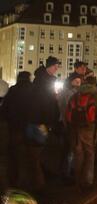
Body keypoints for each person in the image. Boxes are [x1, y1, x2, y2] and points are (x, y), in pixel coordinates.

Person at [65, 76, 97, 190]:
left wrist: (69, 127)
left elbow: (67, 112)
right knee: (89, 153)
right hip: (89, 127)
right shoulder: (96, 96)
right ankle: (87, 181)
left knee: (78, 153)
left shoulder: (76, 95)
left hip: (75, 128)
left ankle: (77, 179)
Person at [25, 56, 61, 192]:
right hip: (40, 122)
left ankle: (37, 179)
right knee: (39, 153)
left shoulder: (39, 80)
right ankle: (39, 183)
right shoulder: (45, 82)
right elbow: (46, 104)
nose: (57, 69)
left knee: (35, 152)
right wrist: (48, 122)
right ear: (49, 67)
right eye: (55, 66)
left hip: (35, 121)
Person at [0, 71, 32, 187]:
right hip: (30, 127)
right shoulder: (33, 90)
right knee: (30, 155)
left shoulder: (13, 90)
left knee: (14, 155)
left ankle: (14, 180)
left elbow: (4, 109)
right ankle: (28, 182)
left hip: (15, 127)